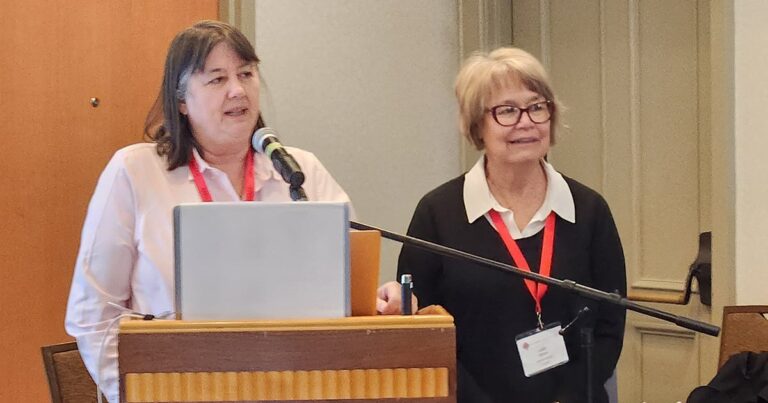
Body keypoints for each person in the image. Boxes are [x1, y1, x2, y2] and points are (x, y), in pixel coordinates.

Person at [65, 20, 364, 402]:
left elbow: (352, 284)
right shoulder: (135, 173)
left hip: (293, 388)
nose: (238, 90)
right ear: (182, 101)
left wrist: (378, 299)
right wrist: (138, 393)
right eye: (217, 79)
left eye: (246, 73)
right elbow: (93, 314)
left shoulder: (299, 172)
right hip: (173, 389)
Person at [396, 47, 627, 402]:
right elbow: (422, 333)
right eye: (507, 111)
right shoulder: (437, 214)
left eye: (537, 107)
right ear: (477, 126)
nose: (526, 122)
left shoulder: (588, 210)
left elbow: (611, 325)